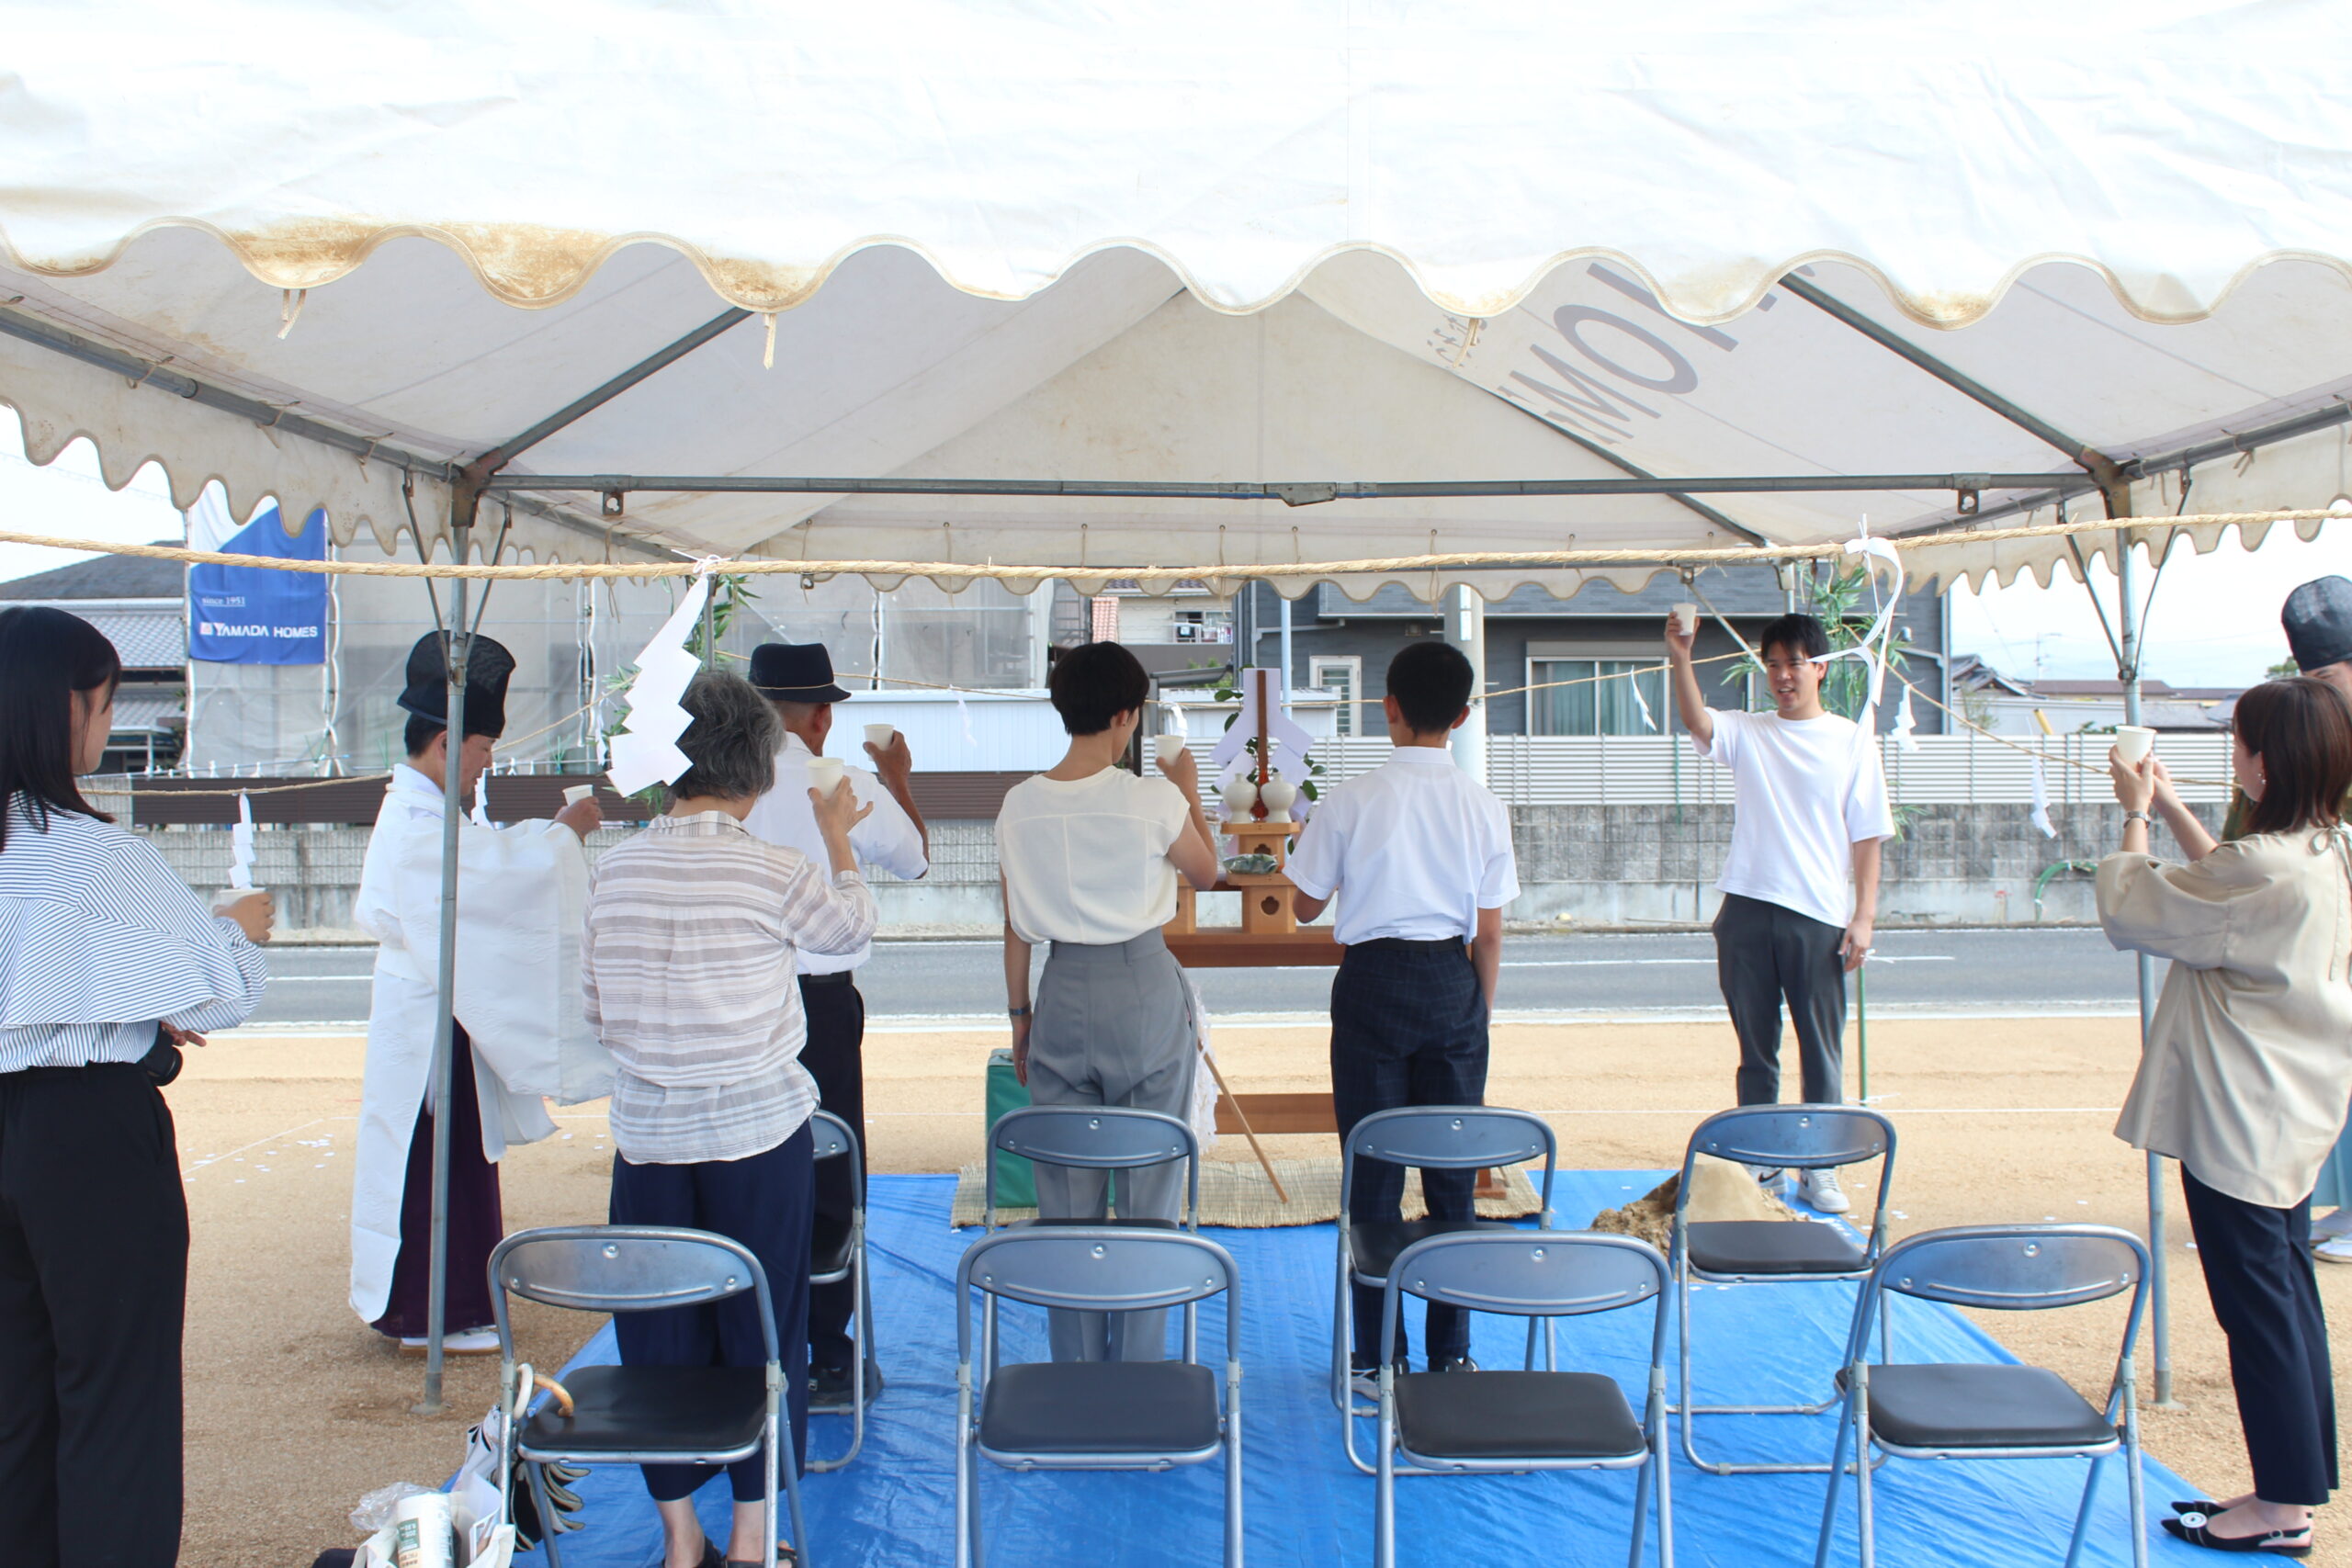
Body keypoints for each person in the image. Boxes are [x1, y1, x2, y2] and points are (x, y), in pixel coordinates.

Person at [0, 605, 273, 1568]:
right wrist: (239, 925)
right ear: (67, 707)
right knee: (117, 1395)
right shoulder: (97, 852)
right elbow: (225, 988)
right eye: (106, 703)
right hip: (89, 1131)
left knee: (15, 1402)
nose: (106, 724)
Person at [584, 671, 876, 1568]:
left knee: (656, 1333)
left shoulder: (612, 871)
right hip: (758, 1135)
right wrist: (838, 837)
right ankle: (753, 1540)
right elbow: (850, 932)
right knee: (765, 1331)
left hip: (649, 1139)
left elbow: (596, 1010)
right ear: (758, 771)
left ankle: (682, 1541)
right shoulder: (774, 869)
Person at [2100, 676, 2352, 1555]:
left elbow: (2134, 908)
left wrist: (2136, 812)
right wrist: (2172, 802)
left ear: (2266, 760)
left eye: (2239, 741)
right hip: (2293, 1105)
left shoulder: (2261, 868)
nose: (2233, 755)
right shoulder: (2327, 849)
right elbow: (2228, 886)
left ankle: (2282, 1508)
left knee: (2258, 1313)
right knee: (2287, 1301)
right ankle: (2293, 1486)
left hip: (2240, 1116)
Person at [349, 632, 605, 1354]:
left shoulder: (424, 812)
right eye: (484, 746)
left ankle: (445, 1300)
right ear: (446, 744)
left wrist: (554, 839)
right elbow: (490, 879)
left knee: (445, 1153)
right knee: (436, 1158)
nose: (488, 761)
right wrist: (561, 836)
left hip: (434, 1006)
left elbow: (483, 870)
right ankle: (437, 1308)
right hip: (425, 1013)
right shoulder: (417, 820)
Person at [1287, 641, 1517, 1390]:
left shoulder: (1348, 800)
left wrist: (1303, 842)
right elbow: (1490, 932)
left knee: (1373, 1177)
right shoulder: (1483, 805)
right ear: (1463, 715)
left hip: (1372, 980)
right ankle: (1451, 1354)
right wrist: (1476, 1012)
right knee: (1452, 1178)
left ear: (1388, 707)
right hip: (1453, 979)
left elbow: (1304, 905)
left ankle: (1376, 1360)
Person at [996, 640, 1218, 1361]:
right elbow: (1207, 873)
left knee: (1065, 1198)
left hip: (1060, 987)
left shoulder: (1018, 805)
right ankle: (1143, 1367)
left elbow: (1015, 926)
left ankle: (1077, 1369)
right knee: (1153, 1187)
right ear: (1126, 714)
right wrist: (1188, 789)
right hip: (1143, 985)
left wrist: (1021, 1019)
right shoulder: (1153, 797)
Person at [740, 642, 927, 1411]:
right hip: (817, 1002)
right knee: (828, 1168)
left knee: (745, 1161)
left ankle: (751, 1343)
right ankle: (824, 1353)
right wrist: (898, 777)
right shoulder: (839, 780)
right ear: (820, 717)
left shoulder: (725, 783)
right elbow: (914, 859)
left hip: (740, 999)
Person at [1665, 610, 1894, 1213]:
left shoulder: (1850, 739)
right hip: (1745, 907)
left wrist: (1864, 916)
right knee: (1756, 1050)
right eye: (1773, 664)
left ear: (1821, 669)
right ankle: (1759, 1161)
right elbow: (1697, 719)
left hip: (1817, 914)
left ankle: (1819, 1166)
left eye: (1795, 663)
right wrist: (1681, 655)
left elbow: (1868, 834)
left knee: (1821, 1049)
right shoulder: (1749, 731)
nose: (1783, 675)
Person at [2220, 577, 2352, 1262]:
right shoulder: (2292, 746)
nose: (2326, 691)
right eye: (2314, 679)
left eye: (2331, 677)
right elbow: (2231, 859)